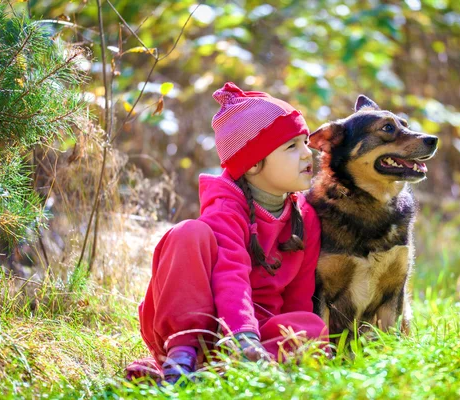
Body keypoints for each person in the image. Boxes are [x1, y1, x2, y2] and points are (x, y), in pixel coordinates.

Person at [125, 82, 328, 384]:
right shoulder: (226, 208)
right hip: (198, 323)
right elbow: (231, 275)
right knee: (189, 232)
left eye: (304, 143)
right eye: (292, 147)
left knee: (312, 326)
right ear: (253, 163)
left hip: (256, 334)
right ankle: (180, 360)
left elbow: (298, 294)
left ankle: (214, 375)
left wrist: (285, 338)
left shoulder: (305, 215)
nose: (307, 154)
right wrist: (243, 337)